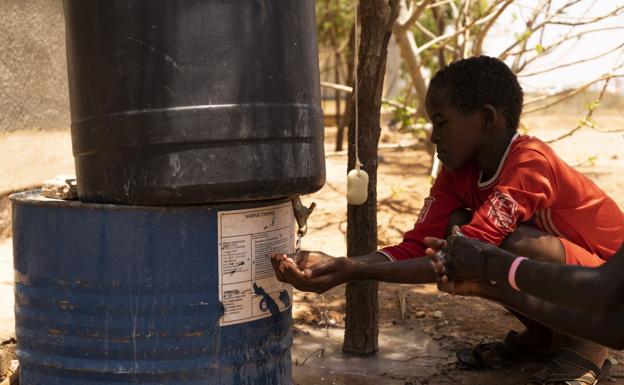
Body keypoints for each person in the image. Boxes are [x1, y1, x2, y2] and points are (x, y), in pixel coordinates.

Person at [272, 56, 624, 385]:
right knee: (463, 231)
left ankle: (587, 347)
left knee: (501, 246)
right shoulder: (456, 174)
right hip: (574, 283)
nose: (433, 136)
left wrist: (354, 270)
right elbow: (418, 247)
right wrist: (341, 265)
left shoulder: (530, 163)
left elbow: (466, 260)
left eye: (441, 122)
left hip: (608, 288)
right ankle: (546, 336)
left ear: (487, 119)